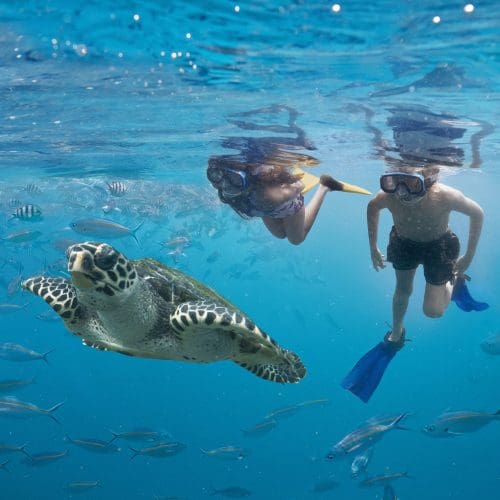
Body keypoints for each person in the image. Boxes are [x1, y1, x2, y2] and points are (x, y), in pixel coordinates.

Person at [341, 165, 488, 403]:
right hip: (404, 242)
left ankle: (454, 281)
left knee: (433, 311)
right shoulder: (388, 197)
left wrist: (469, 256)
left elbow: (477, 212)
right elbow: (372, 207)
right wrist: (372, 246)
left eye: (409, 183)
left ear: (427, 180)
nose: (401, 192)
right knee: (403, 289)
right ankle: (397, 332)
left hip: (439, 246)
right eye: (394, 182)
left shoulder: (445, 195)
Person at [207, 157, 370, 245]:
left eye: (234, 180)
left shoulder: (272, 196)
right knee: (279, 234)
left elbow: (297, 187)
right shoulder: (228, 192)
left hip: (286, 204)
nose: (225, 184)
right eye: (217, 177)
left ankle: (324, 186)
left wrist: (287, 190)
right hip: (265, 207)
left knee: (296, 240)